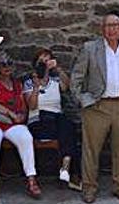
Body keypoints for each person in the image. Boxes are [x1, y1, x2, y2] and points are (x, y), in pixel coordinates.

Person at [71, 14, 119, 204]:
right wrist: (83, 100)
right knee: (91, 150)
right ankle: (89, 188)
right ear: (102, 29)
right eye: (108, 25)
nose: (112, 29)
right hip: (97, 106)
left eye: (115, 25)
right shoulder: (90, 49)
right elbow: (77, 78)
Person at [0, 55, 40, 202]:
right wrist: (10, 113)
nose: (7, 67)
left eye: (9, 64)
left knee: (26, 138)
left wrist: (22, 115)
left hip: (12, 123)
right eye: (3, 64)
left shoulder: (17, 84)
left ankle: (31, 179)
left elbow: (23, 104)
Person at [23, 48, 79, 190]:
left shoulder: (55, 80)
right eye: (41, 61)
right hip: (38, 119)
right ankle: (70, 171)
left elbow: (67, 87)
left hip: (57, 118)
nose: (44, 64)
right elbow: (32, 106)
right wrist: (36, 87)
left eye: (47, 60)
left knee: (68, 125)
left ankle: (65, 168)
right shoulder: (29, 82)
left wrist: (59, 69)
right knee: (65, 126)